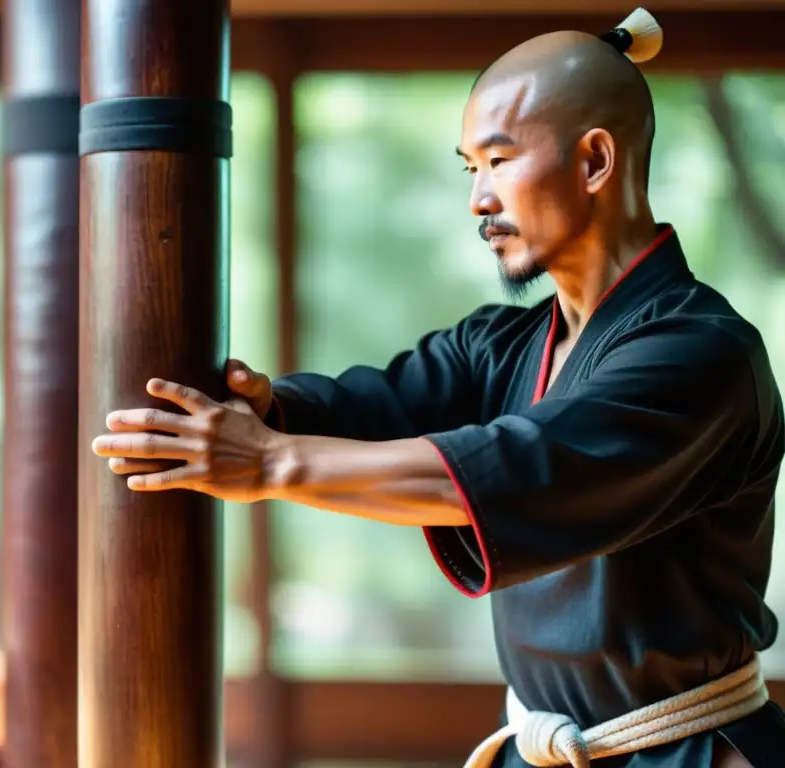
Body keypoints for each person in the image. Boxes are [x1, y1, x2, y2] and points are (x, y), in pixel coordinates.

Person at [91, 8, 785, 767]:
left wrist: (267, 464)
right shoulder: (502, 343)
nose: (478, 199)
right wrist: (267, 411)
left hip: (688, 752)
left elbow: (514, 465)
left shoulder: (700, 354)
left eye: (499, 160)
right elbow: (375, 405)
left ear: (593, 162)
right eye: (470, 168)